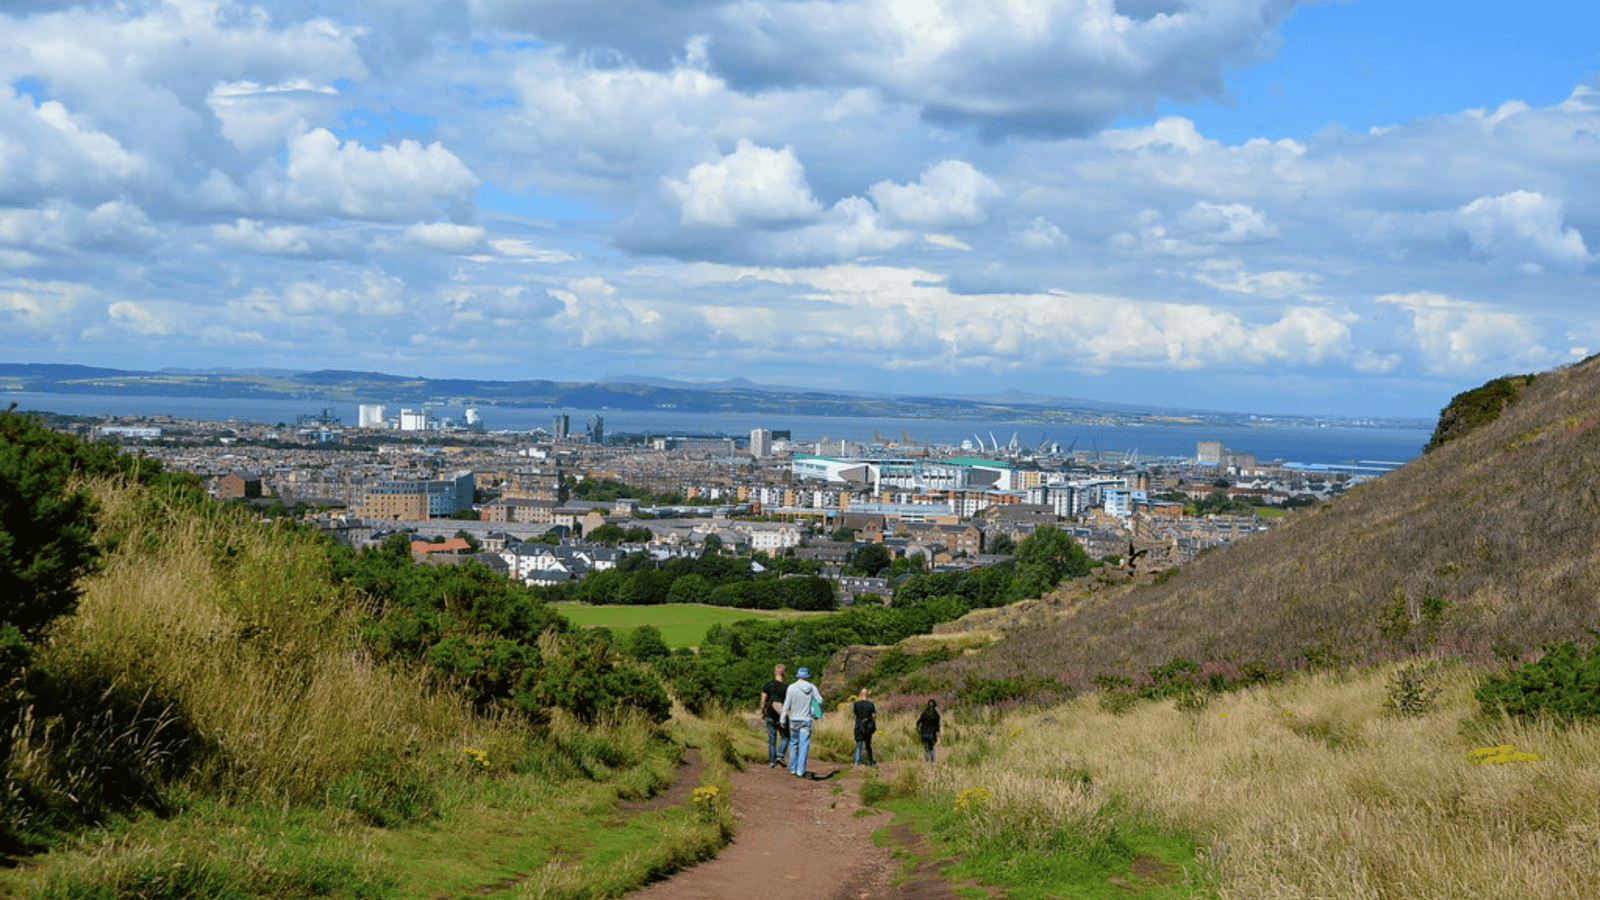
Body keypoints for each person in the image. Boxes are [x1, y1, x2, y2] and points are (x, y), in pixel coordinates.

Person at [781, 666, 824, 778]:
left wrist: (782, 719)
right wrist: (812, 705)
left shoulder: (791, 687)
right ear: (807, 676)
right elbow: (820, 700)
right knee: (804, 745)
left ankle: (793, 768)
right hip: (806, 719)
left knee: (793, 743)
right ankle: (801, 770)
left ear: (798, 676)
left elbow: (786, 705)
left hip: (794, 719)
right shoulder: (812, 687)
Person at [759, 663, 789, 768]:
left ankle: (772, 762)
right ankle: (780, 754)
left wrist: (763, 712)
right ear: (784, 673)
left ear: (774, 672)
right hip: (781, 714)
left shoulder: (768, 684)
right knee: (786, 736)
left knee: (772, 738)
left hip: (771, 713)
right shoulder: (786, 687)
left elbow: (763, 700)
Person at [852, 688, 877, 767]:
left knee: (859, 744)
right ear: (867, 695)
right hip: (868, 726)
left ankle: (857, 761)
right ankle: (869, 761)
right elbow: (874, 715)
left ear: (860, 695)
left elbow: (855, 714)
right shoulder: (871, 704)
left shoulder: (856, 704)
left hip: (859, 725)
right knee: (868, 744)